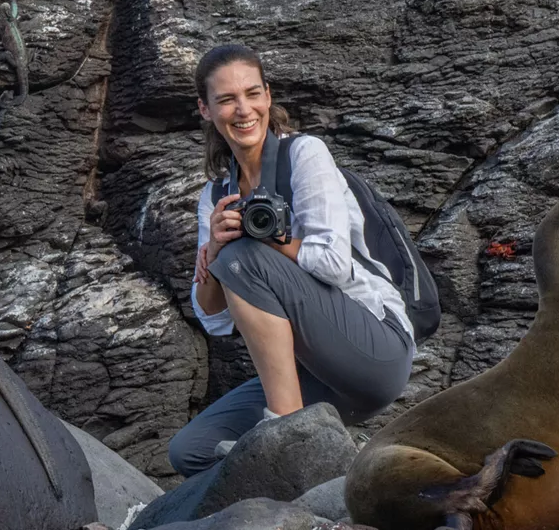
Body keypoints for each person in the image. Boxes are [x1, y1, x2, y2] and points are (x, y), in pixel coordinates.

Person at [168, 44, 416, 477]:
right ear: (205, 110)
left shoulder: (305, 154)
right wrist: (214, 249)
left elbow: (335, 264)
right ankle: (325, 463)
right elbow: (212, 316)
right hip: (317, 376)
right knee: (189, 451)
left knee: (243, 257)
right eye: (226, 99)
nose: (243, 109)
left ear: (268, 96)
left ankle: (287, 430)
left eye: (252, 93)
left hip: (376, 349)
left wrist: (268, 241)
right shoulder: (215, 195)